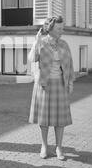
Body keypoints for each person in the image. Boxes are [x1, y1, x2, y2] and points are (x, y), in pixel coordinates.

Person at [28, 15, 74, 160]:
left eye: (62, 28)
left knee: (60, 119)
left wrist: (71, 82)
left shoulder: (64, 44)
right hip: (44, 84)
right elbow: (32, 59)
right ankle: (44, 146)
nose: (62, 30)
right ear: (51, 29)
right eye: (59, 28)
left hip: (60, 84)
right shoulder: (42, 42)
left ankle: (59, 148)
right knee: (44, 119)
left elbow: (70, 64)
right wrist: (36, 42)